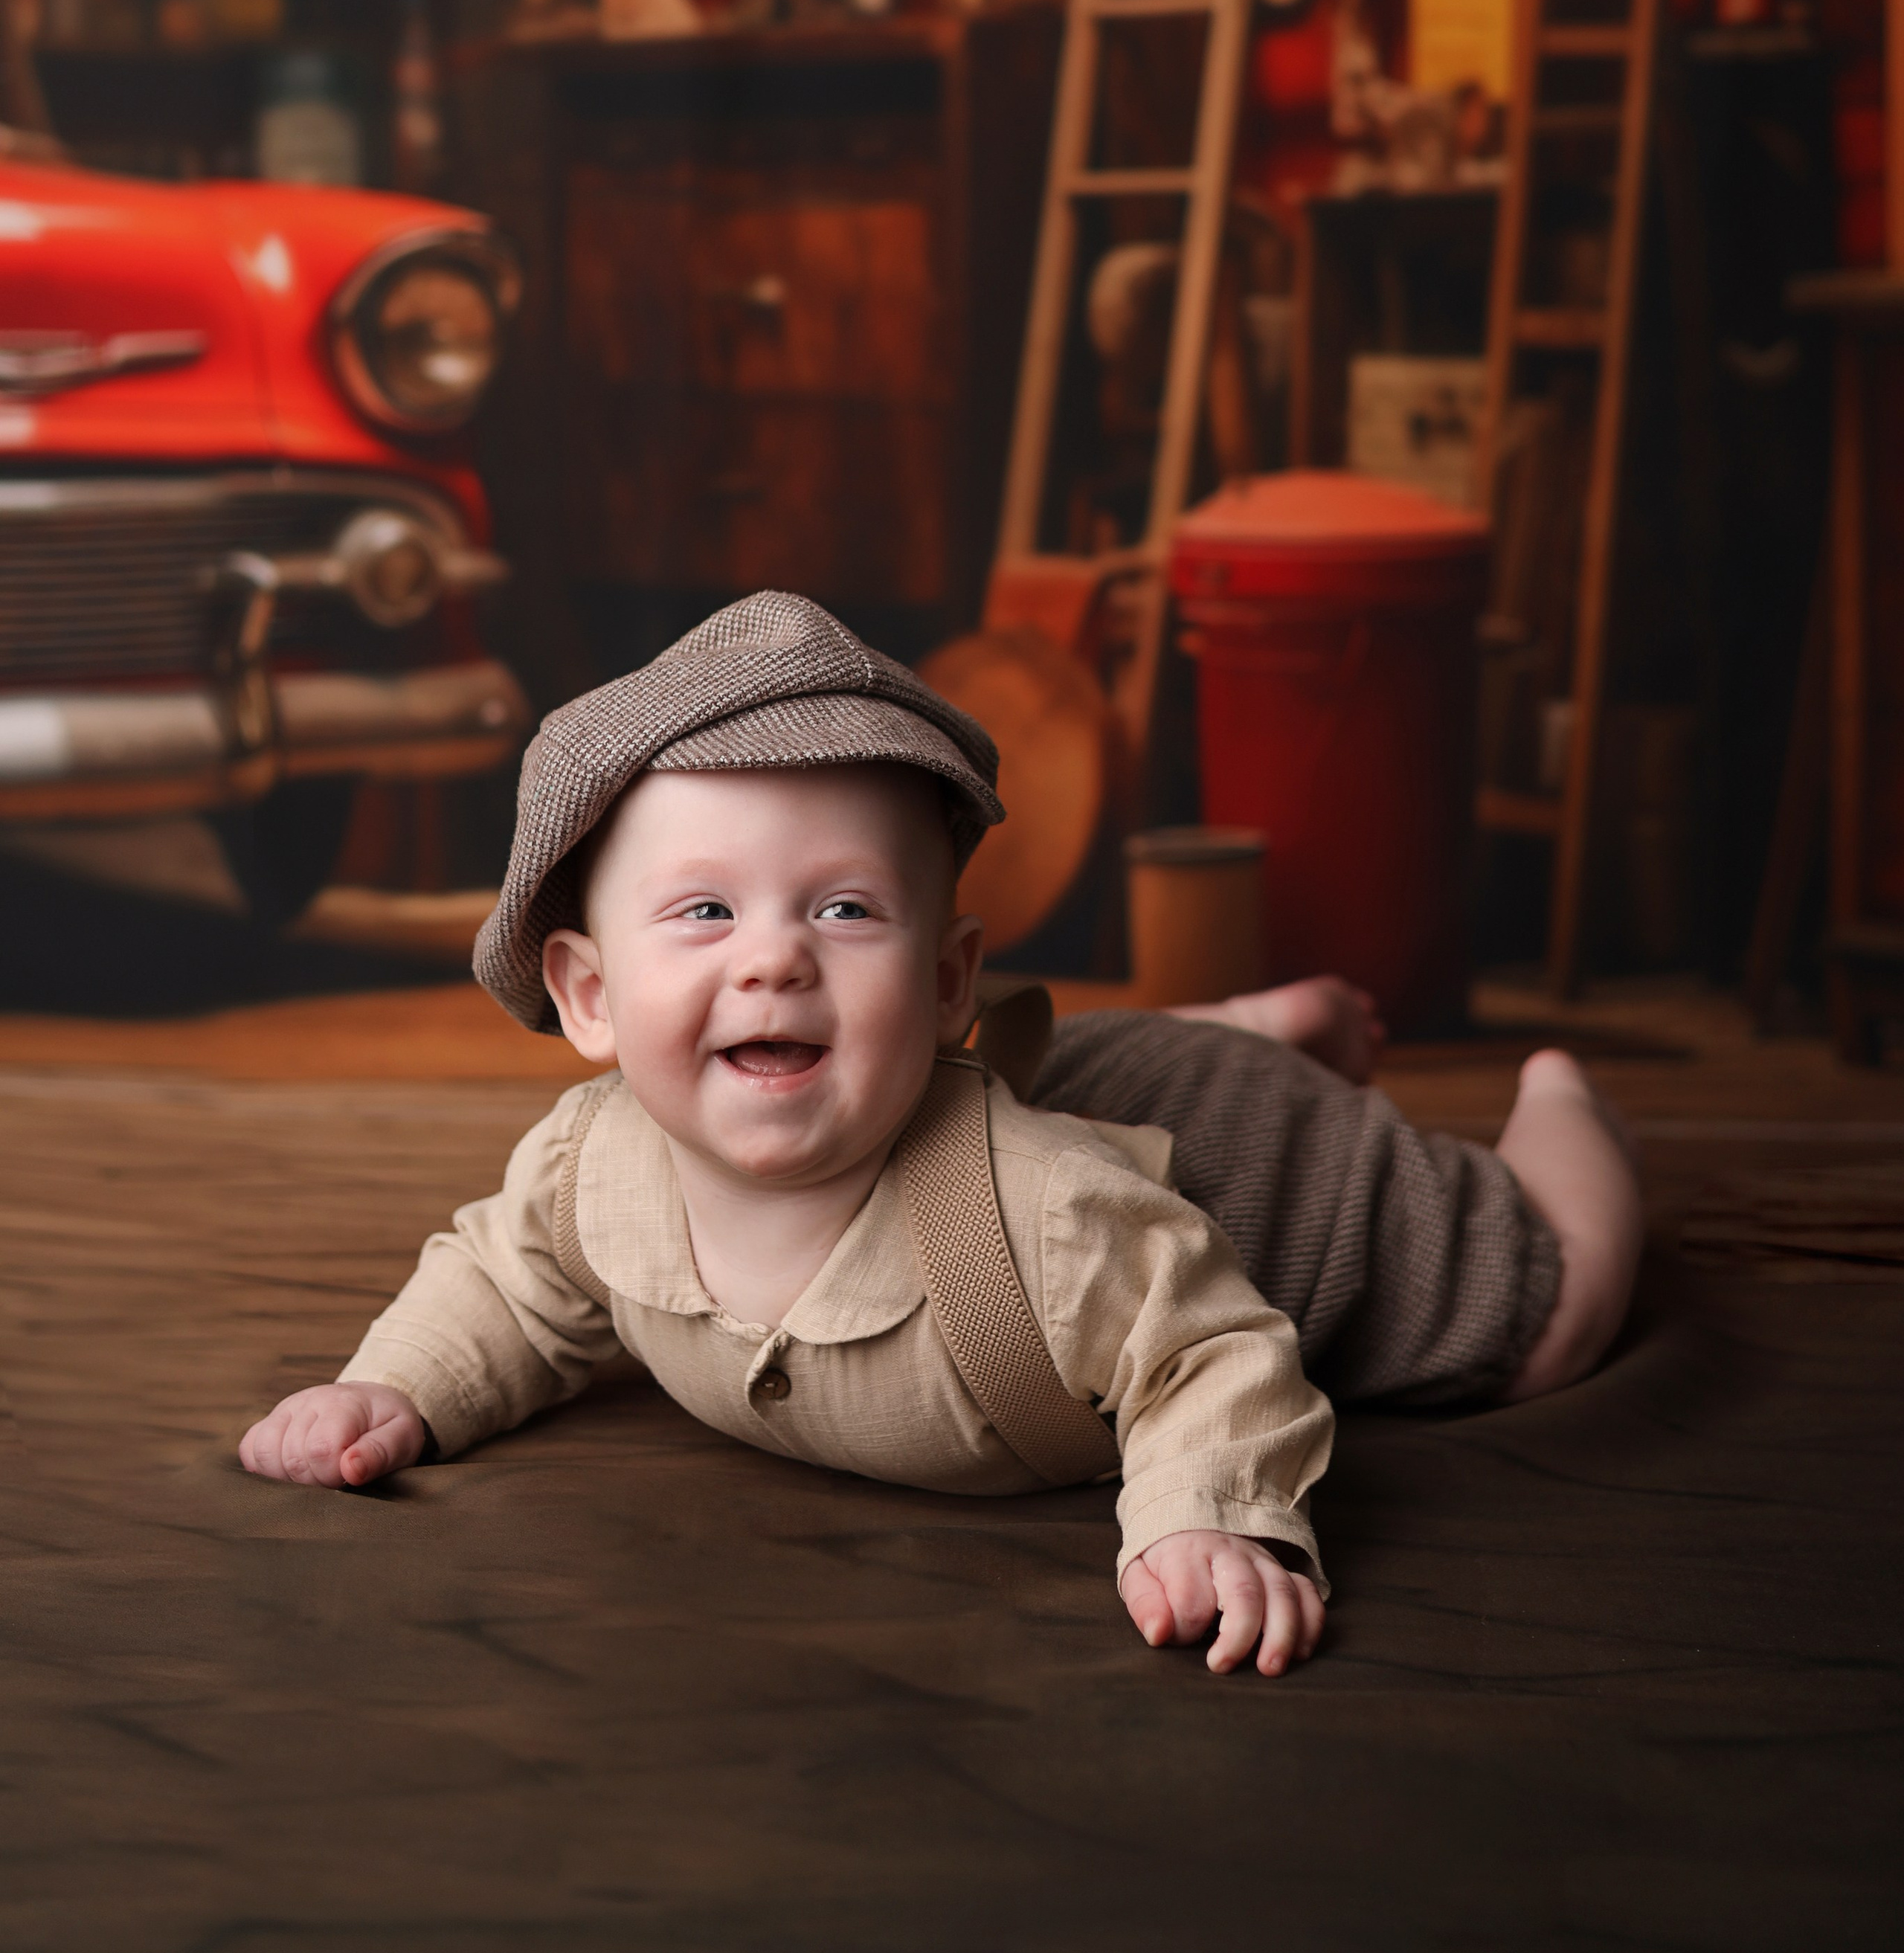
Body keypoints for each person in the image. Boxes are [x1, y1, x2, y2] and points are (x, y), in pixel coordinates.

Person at [239, 593, 1643, 1679]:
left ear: (947, 977)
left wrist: (1209, 1512)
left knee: (1546, 1312)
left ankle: (1551, 1096)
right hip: (1069, 1073)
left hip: (1261, 1168)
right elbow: (500, 1278)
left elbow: (1211, 1349)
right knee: (1093, 1064)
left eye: (845, 909)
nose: (776, 960)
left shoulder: (1051, 1219)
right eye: (706, 911)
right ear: (590, 996)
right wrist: (399, 1385)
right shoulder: (590, 1163)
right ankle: (1262, 1012)